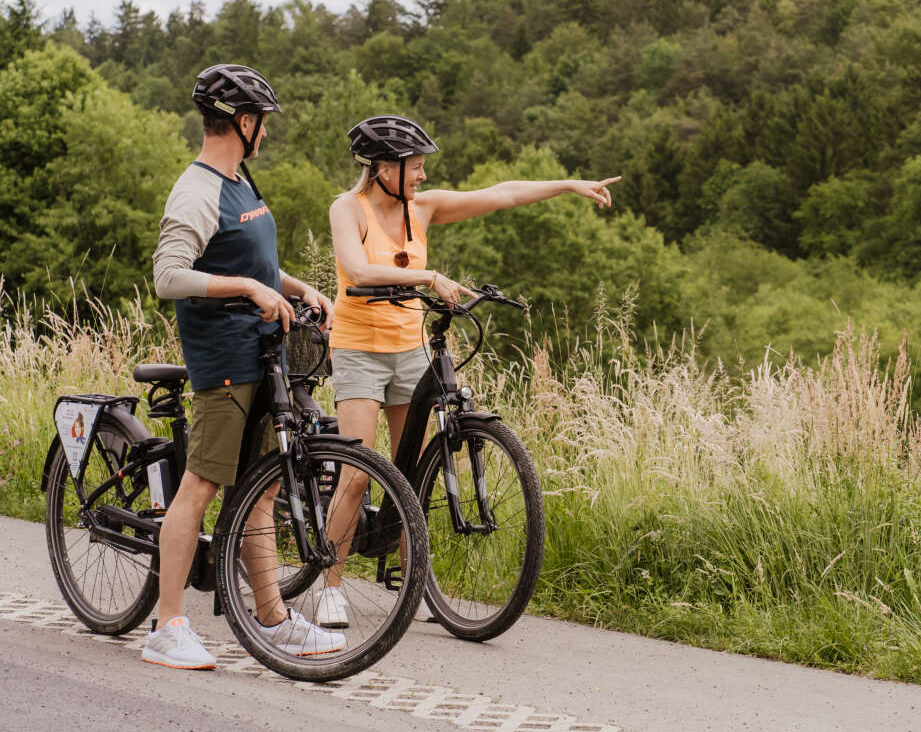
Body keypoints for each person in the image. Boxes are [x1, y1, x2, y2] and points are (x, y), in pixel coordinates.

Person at [314, 113, 619, 627]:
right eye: (414, 166)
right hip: (359, 349)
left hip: (408, 348)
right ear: (384, 166)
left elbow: (501, 193)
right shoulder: (349, 208)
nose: (423, 177)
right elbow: (357, 269)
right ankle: (331, 585)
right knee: (358, 475)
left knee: (409, 475)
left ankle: (415, 588)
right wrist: (430, 276)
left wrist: (567, 185)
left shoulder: (423, 209)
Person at [146, 63, 339, 670]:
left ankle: (272, 618)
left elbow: (249, 261)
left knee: (262, 489)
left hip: (264, 355)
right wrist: (250, 291)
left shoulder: (240, 181)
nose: (267, 134)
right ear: (244, 122)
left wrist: (296, 287)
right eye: (264, 124)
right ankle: (167, 624)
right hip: (225, 361)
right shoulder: (198, 188)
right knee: (200, 486)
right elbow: (168, 275)